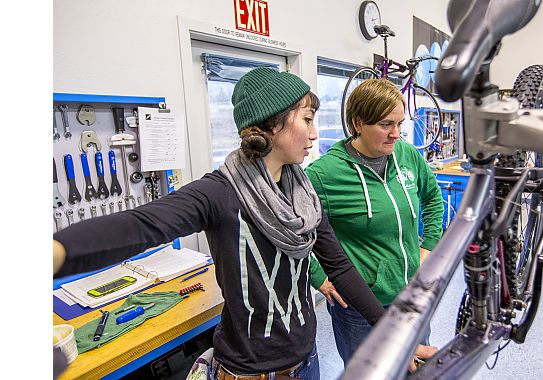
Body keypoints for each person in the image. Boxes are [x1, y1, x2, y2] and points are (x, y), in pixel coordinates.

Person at [53, 68, 435, 379]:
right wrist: (56, 253)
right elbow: (144, 224)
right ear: (271, 126)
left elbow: (340, 267)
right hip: (250, 370)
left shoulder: (301, 191)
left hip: (306, 360)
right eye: (306, 119)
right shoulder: (219, 194)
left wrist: (393, 331)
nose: (315, 133)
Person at [305, 78, 444, 364]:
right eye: (385, 125)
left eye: (399, 124)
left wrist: (429, 245)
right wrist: (318, 277)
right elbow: (293, 233)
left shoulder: (406, 155)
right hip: (360, 306)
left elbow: (432, 197)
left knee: (417, 366)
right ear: (357, 123)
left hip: (412, 296)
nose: (396, 134)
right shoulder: (324, 175)